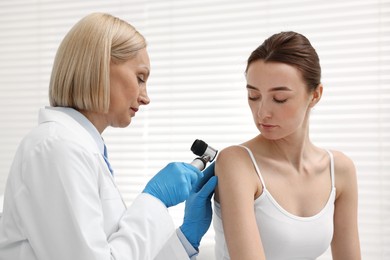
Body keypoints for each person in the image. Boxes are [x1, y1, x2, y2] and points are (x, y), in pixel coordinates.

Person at [0, 12, 217, 260]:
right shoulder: (56, 147)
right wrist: (154, 200)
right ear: (100, 67)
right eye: (140, 78)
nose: (146, 97)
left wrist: (185, 241)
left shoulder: (80, 148)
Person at [213, 31, 361, 260]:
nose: (262, 112)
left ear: (315, 95)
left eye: (279, 99)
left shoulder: (339, 169)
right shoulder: (237, 163)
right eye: (253, 96)